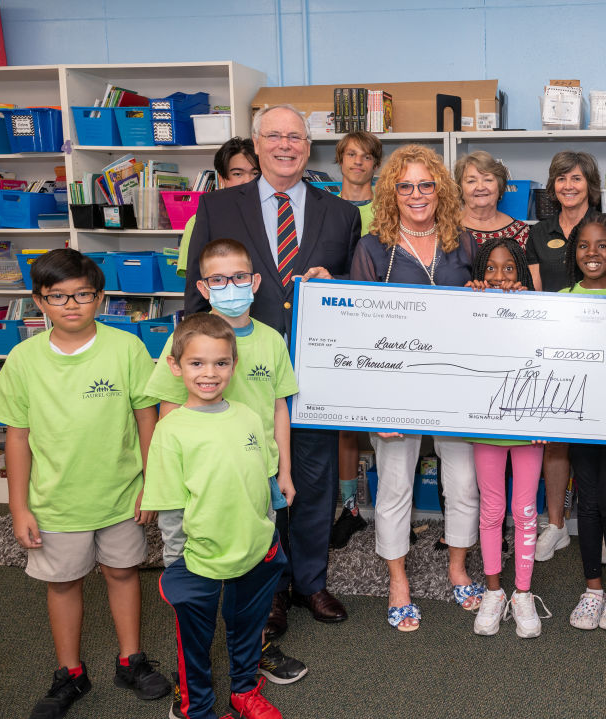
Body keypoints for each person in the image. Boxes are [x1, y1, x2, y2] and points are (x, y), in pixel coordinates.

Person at [185, 103, 361, 637]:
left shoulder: (341, 213)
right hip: (239, 372)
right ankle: (271, 586)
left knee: (313, 478)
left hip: (313, 373)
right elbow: (196, 287)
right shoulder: (216, 206)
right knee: (253, 479)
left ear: (309, 149)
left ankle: (310, 581)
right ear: (256, 144)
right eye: (275, 136)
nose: (287, 145)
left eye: (297, 138)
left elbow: (359, 291)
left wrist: (335, 281)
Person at [0, 249, 171, 719]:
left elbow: (145, 417)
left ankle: (131, 659)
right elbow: (17, 437)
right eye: (58, 296)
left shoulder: (125, 347)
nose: (72, 304)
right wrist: (19, 507)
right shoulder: (23, 358)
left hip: (121, 494)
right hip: (55, 502)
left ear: (100, 297)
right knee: (64, 582)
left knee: (123, 572)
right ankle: (70, 671)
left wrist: (153, 483)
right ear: (38, 302)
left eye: (83, 294)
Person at [145, 238, 306, 687]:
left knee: (254, 567)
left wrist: (284, 473)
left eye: (238, 277)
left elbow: (279, 408)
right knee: (192, 582)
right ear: (203, 286)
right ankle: (189, 673)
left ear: (254, 282)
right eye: (218, 279)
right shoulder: (189, 340)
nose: (230, 286)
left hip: (257, 477)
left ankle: (254, 649)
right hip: (199, 484)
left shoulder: (272, 340)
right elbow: (168, 412)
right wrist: (168, 482)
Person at [350, 144, 480, 631]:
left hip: (454, 386)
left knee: (463, 483)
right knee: (396, 487)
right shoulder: (373, 248)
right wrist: (371, 407)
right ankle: (398, 581)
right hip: (395, 390)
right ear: (391, 193)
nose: (417, 194)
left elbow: (479, 311)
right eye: (405, 186)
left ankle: (458, 568)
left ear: (441, 189)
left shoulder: (461, 242)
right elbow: (360, 328)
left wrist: (479, 297)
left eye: (427, 184)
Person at [142, 313, 289, 719]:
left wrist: (269, 533)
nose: (210, 373)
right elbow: (171, 506)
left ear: (234, 365)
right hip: (197, 561)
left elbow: (261, 479)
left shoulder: (246, 415)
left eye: (221, 363)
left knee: (247, 631)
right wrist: (177, 566)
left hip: (255, 548)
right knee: (196, 646)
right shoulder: (171, 430)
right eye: (197, 363)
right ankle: (198, 710)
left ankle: (244, 690)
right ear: (175, 366)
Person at [463, 237, 551, 637]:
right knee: (492, 510)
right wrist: (467, 300)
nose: (500, 276)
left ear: (522, 273)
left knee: (526, 510)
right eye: (491, 269)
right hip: (487, 427)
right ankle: (494, 591)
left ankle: (523, 593)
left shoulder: (537, 309)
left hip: (529, 426)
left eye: (509, 268)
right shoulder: (471, 304)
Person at [560, 213, 606, 632]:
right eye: (584, 245)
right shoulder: (561, 298)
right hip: (576, 420)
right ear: (574, 252)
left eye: (602, 246)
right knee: (586, 505)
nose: (593, 253)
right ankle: (592, 589)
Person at [525, 151, 603, 563]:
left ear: (590, 183)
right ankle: (556, 525)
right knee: (554, 441)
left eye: (575, 178)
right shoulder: (540, 232)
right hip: (554, 344)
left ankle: (600, 519)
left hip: (599, 348)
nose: (567, 186)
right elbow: (537, 293)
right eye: (560, 179)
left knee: (596, 443)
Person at [329, 130, 383, 550]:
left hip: (382, 320)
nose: (358, 162)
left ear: (375, 164)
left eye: (366, 156)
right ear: (340, 159)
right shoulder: (324, 205)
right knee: (345, 421)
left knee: (389, 419)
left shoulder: (388, 207)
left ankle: (389, 508)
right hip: (339, 318)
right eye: (351, 154)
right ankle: (349, 508)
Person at [177, 136, 260, 278]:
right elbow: (194, 277)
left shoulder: (276, 214)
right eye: (237, 174)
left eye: (255, 173)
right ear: (221, 179)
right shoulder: (201, 220)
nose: (248, 181)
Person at [456, 150, 531, 248]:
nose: (480, 187)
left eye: (488, 180)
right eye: (471, 181)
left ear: (499, 186)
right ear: (460, 188)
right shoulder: (445, 230)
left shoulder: (521, 231)